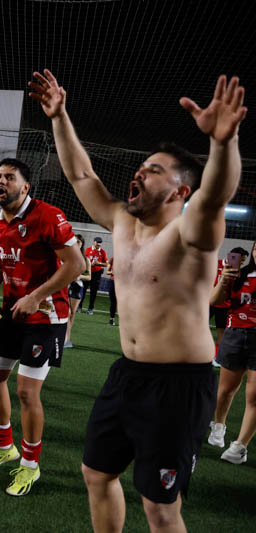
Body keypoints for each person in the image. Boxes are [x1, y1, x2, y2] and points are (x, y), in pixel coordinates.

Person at [30, 69, 245, 531]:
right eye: (141, 166)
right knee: (96, 473)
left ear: (180, 191)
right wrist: (60, 116)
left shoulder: (191, 233)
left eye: (154, 170)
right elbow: (81, 172)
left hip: (179, 387)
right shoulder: (121, 222)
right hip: (127, 373)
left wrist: (224, 144)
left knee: (161, 509)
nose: (139, 172)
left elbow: (216, 195)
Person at [0, 158, 84, 497]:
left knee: (26, 392)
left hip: (46, 315)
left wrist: (36, 296)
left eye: (9, 177)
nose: (1, 182)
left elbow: (76, 264)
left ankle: (30, 467)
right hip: (10, 314)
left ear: (25, 186)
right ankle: (4, 447)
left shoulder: (48, 216)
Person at [208, 242, 256, 464]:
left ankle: (240, 447)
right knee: (226, 390)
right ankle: (219, 426)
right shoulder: (239, 274)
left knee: (253, 396)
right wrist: (223, 280)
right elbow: (214, 300)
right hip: (236, 334)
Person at [211, 246, 249, 361]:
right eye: (240, 259)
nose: (241, 262)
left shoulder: (239, 273)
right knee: (198, 328)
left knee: (221, 331)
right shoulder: (214, 264)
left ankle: (217, 357)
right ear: (231, 255)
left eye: (243, 261)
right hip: (208, 302)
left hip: (224, 305)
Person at [65, 234, 92, 348]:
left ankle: (67, 339)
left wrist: (79, 277)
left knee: (71, 314)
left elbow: (89, 277)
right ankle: (62, 337)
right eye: (75, 241)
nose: (76, 244)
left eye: (79, 242)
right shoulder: (66, 255)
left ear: (82, 244)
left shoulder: (86, 259)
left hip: (77, 287)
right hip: (64, 285)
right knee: (66, 312)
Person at [81, 237, 108, 314]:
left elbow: (106, 264)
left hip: (97, 273)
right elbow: (83, 260)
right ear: (94, 242)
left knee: (94, 292)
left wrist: (99, 263)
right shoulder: (88, 250)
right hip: (87, 272)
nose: (99, 245)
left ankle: (90, 308)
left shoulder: (102, 252)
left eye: (100, 243)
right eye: (97, 243)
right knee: (83, 289)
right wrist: (89, 264)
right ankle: (79, 306)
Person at [106, 257, 117, 326]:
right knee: (113, 302)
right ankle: (111, 319)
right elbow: (107, 271)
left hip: (123, 283)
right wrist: (112, 272)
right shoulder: (113, 258)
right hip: (112, 282)